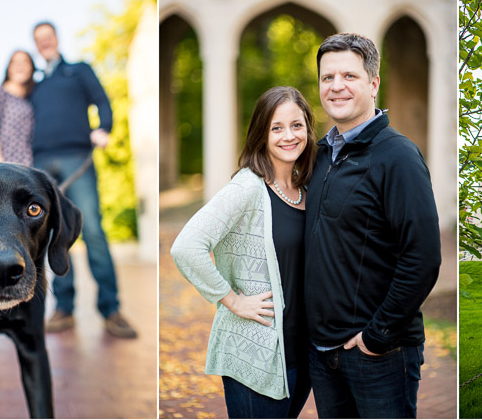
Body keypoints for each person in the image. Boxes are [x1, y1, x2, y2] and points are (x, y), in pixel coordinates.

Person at [303, 32, 441, 418]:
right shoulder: (321, 155)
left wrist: (377, 337)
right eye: (327, 78)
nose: (336, 87)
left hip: (379, 355)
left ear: (373, 83)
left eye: (349, 76)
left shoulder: (397, 156)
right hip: (324, 354)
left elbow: (423, 257)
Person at [171, 86, 316, 418]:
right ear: (261, 134)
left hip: (300, 355)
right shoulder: (247, 188)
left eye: (296, 125)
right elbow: (186, 246)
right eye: (276, 127)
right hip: (256, 353)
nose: (289, 136)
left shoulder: (306, 188)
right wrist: (232, 299)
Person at [29, 21, 136, 339]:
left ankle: (111, 308)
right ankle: (64, 308)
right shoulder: (35, 84)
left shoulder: (78, 71)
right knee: (53, 234)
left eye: (48, 37)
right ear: (36, 46)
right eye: (39, 40)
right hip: (42, 164)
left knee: (92, 230)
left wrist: (103, 127)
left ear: (57, 39)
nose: (44, 43)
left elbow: (103, 101)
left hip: (79, 158)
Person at [0, 50, 36, 165]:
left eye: (25, 62)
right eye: (15, 62)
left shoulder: (30, 99)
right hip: (5, 165)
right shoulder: (0, 95)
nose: (20, 66)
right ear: (9, 68)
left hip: (27, 165)